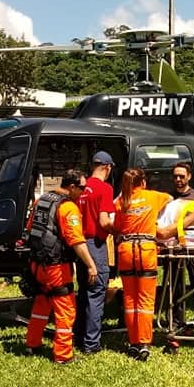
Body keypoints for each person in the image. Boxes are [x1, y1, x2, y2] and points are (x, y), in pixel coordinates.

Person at [24, 169, 97, 365]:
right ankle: (64, 355)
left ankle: (32, 343)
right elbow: (77, 242)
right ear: (71, 187)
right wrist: (91, 265)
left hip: (37, 263)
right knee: (66, 309)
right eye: (82, 188)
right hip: (56, 265)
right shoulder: (68, 208)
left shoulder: (42, 200)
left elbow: (31, 229)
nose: (83, 191)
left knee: (42, 303)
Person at [113, 168, 171, 361]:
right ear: (143, 182)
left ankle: (133, 341)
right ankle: (144, 342)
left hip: (127, 250)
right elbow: (171, 200)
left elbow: (118, 225)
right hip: (145, 249)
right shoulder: (153, 196)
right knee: (146, 300)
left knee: (129, 299)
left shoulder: (122, 201)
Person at [160, 161, 194, 330]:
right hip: (172, 247)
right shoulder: (167, 197)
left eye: (182, 176)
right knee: (173, 286)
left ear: (189, 177)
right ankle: (176, 320)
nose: (178, 179)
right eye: (175, 176)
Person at [74, 151, 116, 354]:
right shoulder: (105, 189)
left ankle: (78, 337)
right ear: (107, 167)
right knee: (97, 293)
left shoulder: (81, 188)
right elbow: (104, 221)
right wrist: (120, 230)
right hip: (96, 245)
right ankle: (92, 344)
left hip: (79, 246)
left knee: (83, 292)